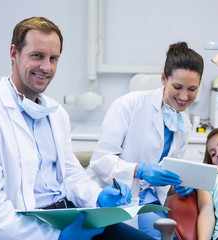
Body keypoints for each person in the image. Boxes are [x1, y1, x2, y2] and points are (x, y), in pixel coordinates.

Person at [0, 17, 155, 240]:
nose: (46, 67)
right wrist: (56, 238)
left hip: (71, 217)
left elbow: (70, 173)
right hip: (27, 230)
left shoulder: (55, 113)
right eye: (37, 56)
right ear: (14, 53)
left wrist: (98, 196)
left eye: (53, 58)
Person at [86, 42, 204, 239]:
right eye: (177, 87)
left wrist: (179, 185)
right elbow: (100, 161)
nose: (184, 96)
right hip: (117, 197)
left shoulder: (184, 123)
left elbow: (166, 177)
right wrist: (139, 170)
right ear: (163, 78)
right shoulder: (129, 105)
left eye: (192, 89)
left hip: (150, 201)